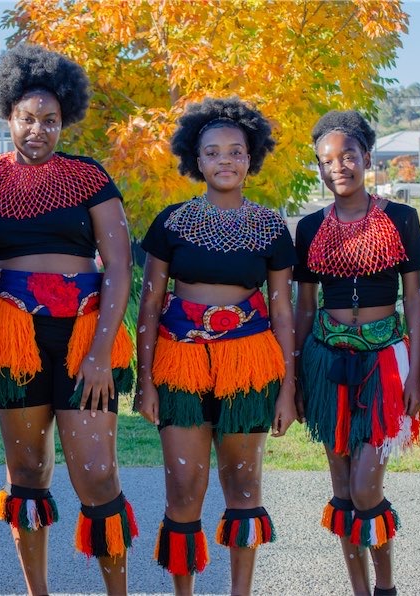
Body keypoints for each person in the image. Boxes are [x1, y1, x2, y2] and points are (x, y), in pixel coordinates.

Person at [0, 44, 137, 595]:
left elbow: (120, 266)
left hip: (83, 338)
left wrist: (101, 353)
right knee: (27, 476)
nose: (38, 130)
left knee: (97, 476)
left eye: (50, 120)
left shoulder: (89, 177)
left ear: (64, 122)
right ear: (8, 116)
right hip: (13, 338)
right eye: (28, 119)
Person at [135, 97, 298, 595]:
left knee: (244, 487)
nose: (225, 160)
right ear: (196, 161)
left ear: (251, 158)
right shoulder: (170, 223)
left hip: (249, 365)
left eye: (236, 151)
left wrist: (287, 390)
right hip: (179, 364)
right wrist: (145, 381)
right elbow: (149, 304)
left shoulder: (272, 227)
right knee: (184, 490)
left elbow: (283, 311)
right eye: (213, 152)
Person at [292, 110, 420, 596]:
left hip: (385, 362)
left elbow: (414, 297)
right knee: (343, 490)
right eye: (327, 160)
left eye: (348, 155)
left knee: (367, 486)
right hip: (325, 361)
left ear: (366, 157)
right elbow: (304, 306)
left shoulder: (400, 219)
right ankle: (360, 591)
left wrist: (416, 374)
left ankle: (386, 588)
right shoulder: (308, 228)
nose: (338, 167)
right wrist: (296, 376)